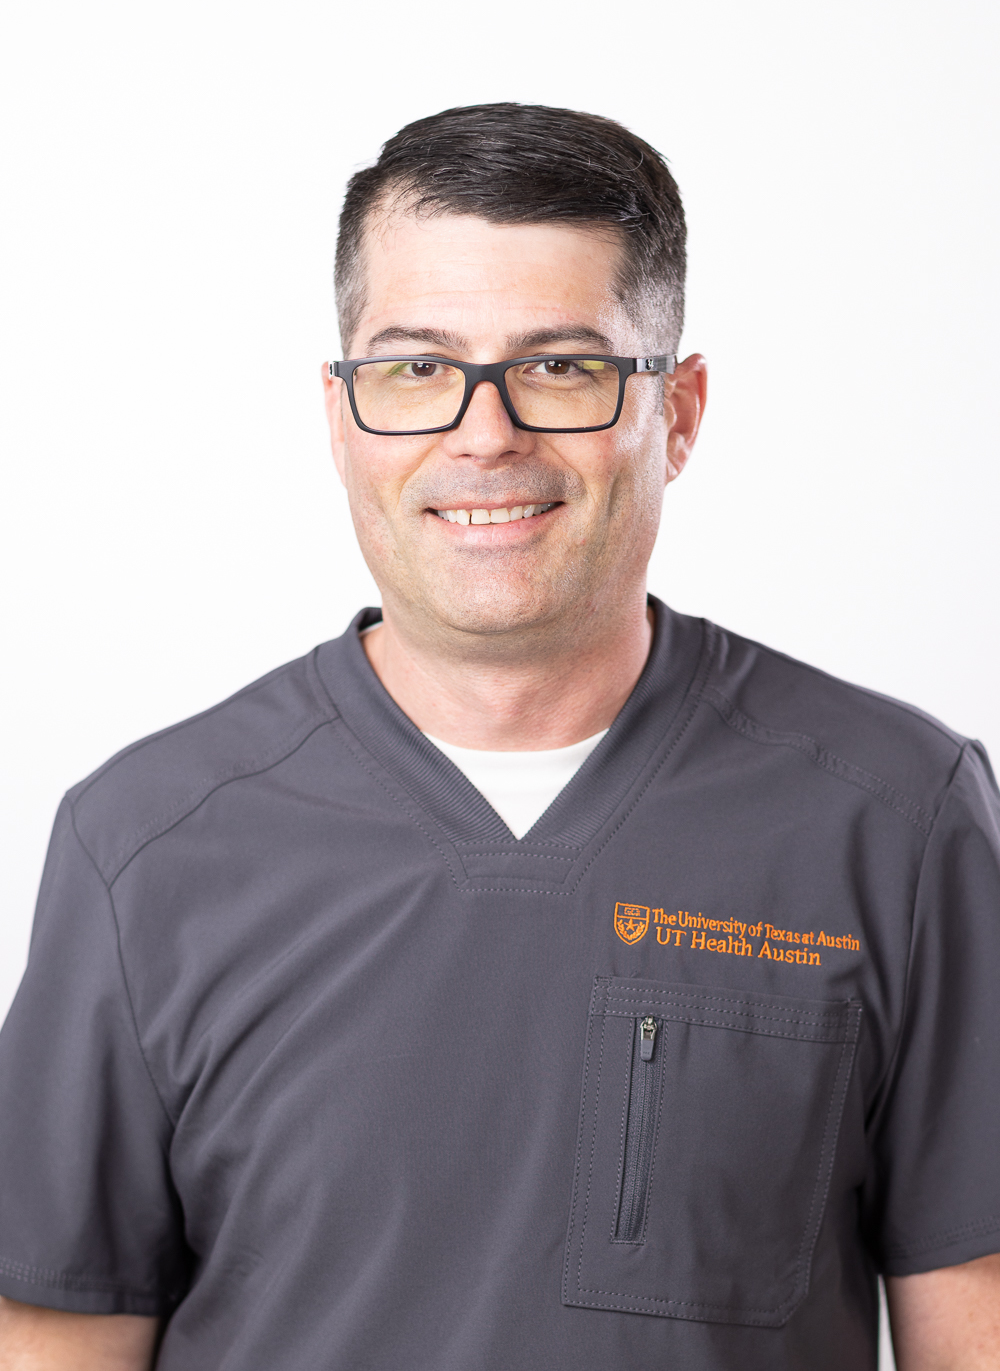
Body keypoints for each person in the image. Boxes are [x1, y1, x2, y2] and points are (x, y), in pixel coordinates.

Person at [0, 102, 998, 1371]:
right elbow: (55, 1337)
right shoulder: (141, 844)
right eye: (415, 366)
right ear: (340, 411)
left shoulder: (894, 817)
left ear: (677, 412)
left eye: (560, 366)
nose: (485, 434)